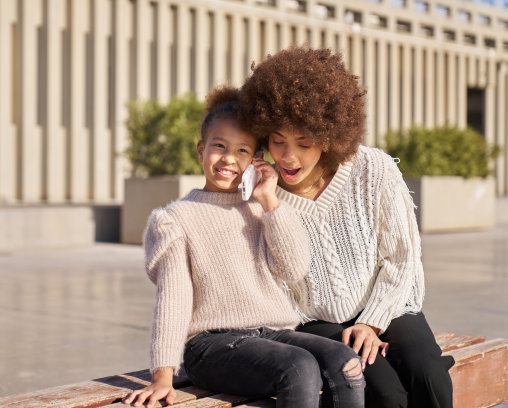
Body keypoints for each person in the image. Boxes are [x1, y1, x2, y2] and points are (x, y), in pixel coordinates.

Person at [239, 47, 454, 408]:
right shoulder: (260, 196)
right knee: (386, 394)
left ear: (328, 134)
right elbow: (276, 288)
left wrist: (372, 321)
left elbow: (402, 258)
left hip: (388, 302)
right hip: (315, 322)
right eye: (278, 140)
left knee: (428, 373)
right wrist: (266, 200)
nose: (289, 157)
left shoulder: (374, 170)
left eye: (304, 143)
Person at [123, 86, 365, 408]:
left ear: (256, 160)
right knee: (300, 368)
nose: (228, 158)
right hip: (211, 345)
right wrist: (162, 376)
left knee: (344, 361)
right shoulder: (174, 219)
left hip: (272, 334)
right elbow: (174, 298)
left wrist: (269, 199)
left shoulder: (261, 208)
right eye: (219, 146)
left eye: (242, 151)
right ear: (201, 150)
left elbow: (293, 268)